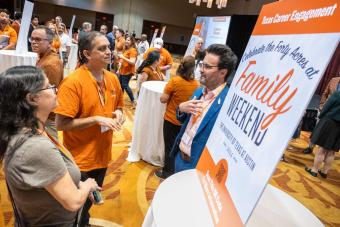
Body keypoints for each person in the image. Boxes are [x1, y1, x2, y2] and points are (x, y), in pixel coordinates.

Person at [0, 66, 99, 226]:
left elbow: (48, 176)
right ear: (32, 99)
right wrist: (87, 185)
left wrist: (78, 184)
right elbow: (73, 202)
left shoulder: (30, 129)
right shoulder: (35, 148)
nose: (56, 89)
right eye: (49, 86)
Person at [55, 31, 125, 226]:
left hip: (102, 155)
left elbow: (119, 106)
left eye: (108, 48)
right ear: (86, 54)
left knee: (88, 203)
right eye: (101, 49)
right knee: (75, 206)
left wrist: (119, 113)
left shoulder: (112, 78)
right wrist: (95, 119)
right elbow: (61, 124)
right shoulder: (73, 82)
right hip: (80, 159)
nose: (108, 52)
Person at [170, 44, 237, 172]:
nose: (200, 69)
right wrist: (181, 108)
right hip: (179, 158)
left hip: (198, 169)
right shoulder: (199, 91)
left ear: (223, 72)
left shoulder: (228, 102)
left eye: (207, 66)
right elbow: (184, 121)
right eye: (201, 64)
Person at [155, 55, 200, 179]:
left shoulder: (174, 81)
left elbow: (163, 99)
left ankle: (166, 172)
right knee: (177, 147)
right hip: (184, 122)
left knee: (169, 146)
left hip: (170, 119)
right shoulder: (196, 84)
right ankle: (174, 170)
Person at [30, 25, 63, 140]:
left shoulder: (50, 64)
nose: (33, 42)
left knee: (54, 151)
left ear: (49, 42)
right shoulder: (44, 58)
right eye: (32, 39)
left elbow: (47, 96)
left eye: (38, 40)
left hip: (46, 117)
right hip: (43, 116)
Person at [305, 91, 340, 178]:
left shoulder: (337, 94)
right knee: (331, 151)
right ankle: (324, 172)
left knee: (322, 149)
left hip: (329, 122)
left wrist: (320, 116)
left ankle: (314, 170)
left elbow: (326, 107)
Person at [304, 75, 340, 154]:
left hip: (336, 115)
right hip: (326, 110)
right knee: (316, 130)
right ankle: (310, 147)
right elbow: (325, 93)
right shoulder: (334, 80)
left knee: (331, 136)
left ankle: (324, 153)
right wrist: (322, 105)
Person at [117, 36, 138, 107]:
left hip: (128, 71)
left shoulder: (133, 50)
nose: (126, 41)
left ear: (132, 42)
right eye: (126, 40)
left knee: (125, 85)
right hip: (122, 70)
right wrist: (119, 68)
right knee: (120, 85)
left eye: (128, 40)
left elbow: (132, 62)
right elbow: (122, 61)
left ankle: (133, 100)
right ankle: (120, 100)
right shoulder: (126, 49)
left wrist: (122, 57)